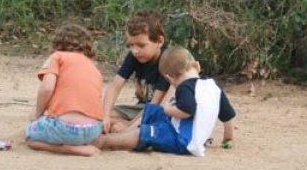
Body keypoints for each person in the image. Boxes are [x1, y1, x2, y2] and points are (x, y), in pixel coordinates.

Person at [96, 45, 236, 157]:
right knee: (153, 118)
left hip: (182, 141)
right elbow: (227, 116)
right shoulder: (213, 86)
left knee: (145, 131)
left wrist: (167, 109)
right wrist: (228, 138)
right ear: (197, 66)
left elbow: (186, 111)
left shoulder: (185, 87)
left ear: (170, 78)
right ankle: (122, 134)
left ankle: (105, 141)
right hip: (194, 139)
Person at [25, 24, 104, 157]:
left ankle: (66, 149)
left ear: (57, 44)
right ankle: (80, 144)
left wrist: (37, 114)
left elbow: (47, 88)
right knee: (73, 131)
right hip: (93, 130)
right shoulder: (94, 67)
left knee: (30, 137)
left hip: (65, 128)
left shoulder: (57, 57)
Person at [102, 9, 170, 133]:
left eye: (141, 45)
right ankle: (124, 125)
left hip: (159, 110)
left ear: (159, 41)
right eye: (131, 45)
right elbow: (115, 87)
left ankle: (129, 127)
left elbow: (154, 104)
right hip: (139, 109)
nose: (135, 51)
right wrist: (105, 117)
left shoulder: (167, 61)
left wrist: (128, 127)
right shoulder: (134, 56)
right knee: (98, 115)